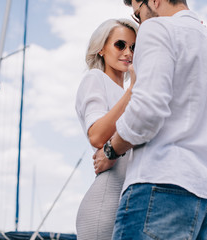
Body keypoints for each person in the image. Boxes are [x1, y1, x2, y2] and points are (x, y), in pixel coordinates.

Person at [93, 0, 207, 239]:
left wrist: (110, 151)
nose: (141, 24)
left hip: (159, 188)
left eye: (138, 14)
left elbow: (146, 112)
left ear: (154, 1)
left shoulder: (158, 29)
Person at [75, 18, 138, 240]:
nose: (128, 52)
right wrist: (132, 91)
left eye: (133, 47)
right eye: (120, 45)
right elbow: (97, 135)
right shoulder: (95, 79)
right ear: (101, 48)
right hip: (106, 200)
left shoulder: (130, 93)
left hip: (132, 201)